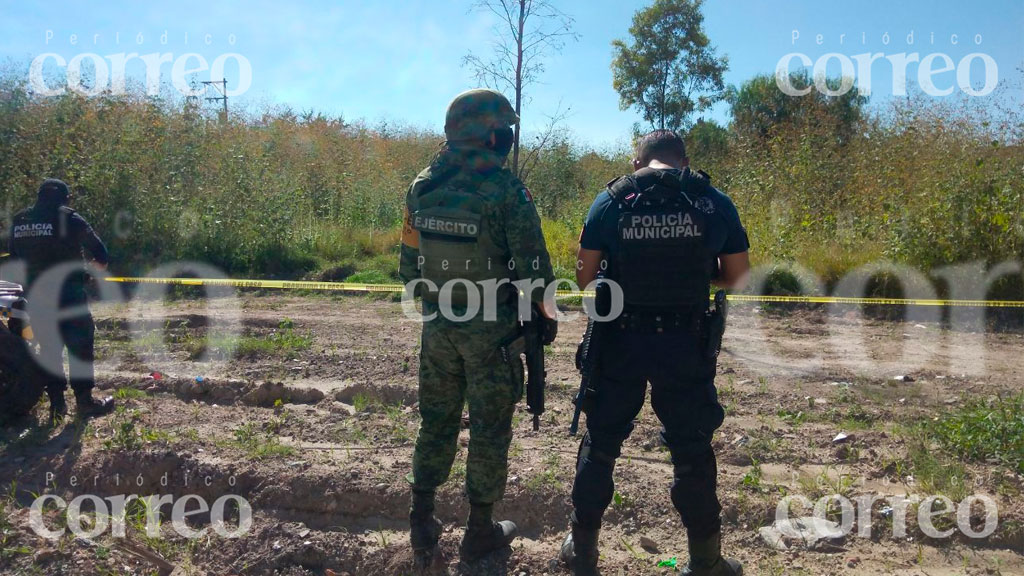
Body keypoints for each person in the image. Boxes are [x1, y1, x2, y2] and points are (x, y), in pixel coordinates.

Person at [560, 131, 750, 576]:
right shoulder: (712, 200)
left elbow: (586, 279)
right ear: (683, 161)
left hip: (619, 341)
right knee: (692, 449)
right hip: (684, 343)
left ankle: (582, 551)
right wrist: (702, 277)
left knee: (601, 442)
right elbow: (737, 277)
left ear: (637, 161)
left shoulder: (611, 201)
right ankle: (706, 561)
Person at [398, 89, 558, 567]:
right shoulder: (506, 190)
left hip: (438, 329)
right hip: (492, 336)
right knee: (489, 431)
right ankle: (479, 532)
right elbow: (534, 271)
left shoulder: (421, 185)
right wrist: (544, 317)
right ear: (486, 134)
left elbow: (408, 268)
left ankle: (421, 521)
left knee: (437, 422)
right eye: (500, 128)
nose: (505, 136)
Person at [7, 178, 115, 420]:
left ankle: (57, 406)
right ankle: (85, 402)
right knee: (80, 346)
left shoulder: (20, 221)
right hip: (69, 295)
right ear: (65, 197)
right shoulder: (70, 218)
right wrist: (88, 274)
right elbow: (101, 253)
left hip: (36, 297)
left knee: (48, 348)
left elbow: (14, 259)